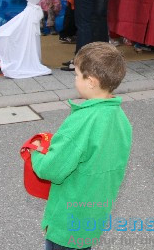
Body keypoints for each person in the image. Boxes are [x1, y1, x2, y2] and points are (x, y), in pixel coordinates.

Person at [29, 42, 132, 250]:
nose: (75, 80)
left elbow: (51, 169)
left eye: (77, 75)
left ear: (91, 81)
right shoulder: (120, 119)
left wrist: (35, 152)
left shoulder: (81, 121)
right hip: (94, 214)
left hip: (68, 219)